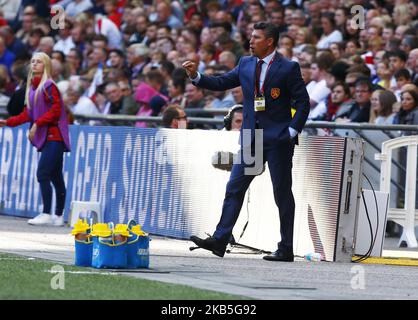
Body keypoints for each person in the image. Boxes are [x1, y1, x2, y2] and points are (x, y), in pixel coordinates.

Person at [183, 22, 310, 262]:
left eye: (256, 37)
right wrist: (196, 76)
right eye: (251, 37)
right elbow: (221, 82)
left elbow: (303, 103)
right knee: (235, 187)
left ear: (270, 42)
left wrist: (292, 132)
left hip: (278, 141)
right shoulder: (246, 63)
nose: (251, 41)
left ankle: (286, 247)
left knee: (281, 192)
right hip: (253, 138)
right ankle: (220, 239)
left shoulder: (288, 68)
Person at [0, 52, 71, 226]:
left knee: (43, 173)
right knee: (55, 176)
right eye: (33, 61)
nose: (34, 64)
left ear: (45, 65)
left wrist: (37, 124)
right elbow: (28, 113)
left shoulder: (49, 86)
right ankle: (59, 216)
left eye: (39, 62)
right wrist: (8, 122)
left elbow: (56, 111)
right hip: (47, 137)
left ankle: (47, 213)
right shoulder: (32, 87)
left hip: (54, 136)